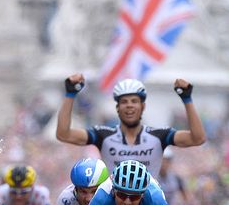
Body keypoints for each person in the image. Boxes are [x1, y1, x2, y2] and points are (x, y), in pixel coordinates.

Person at [55, 74, 205, 176]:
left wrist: (187, 99)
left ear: (143, 107)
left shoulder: (159, 135)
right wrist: (70, 94)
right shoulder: (103, 135)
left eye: (134, 101)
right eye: (124, 102)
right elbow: (63, 134)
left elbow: (197, 138)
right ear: (117, 108)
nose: (129, 106)